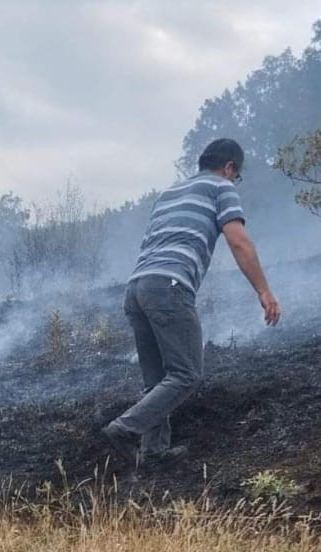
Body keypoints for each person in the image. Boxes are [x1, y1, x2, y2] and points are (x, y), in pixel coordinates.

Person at [102, 138, 281, 468]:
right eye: (235, 175)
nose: (234, 181)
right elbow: (239, 241)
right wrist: (264, 291)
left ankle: (153, 451)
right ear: (229, 167)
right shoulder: (220, 188)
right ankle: (126, 429)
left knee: (156, 382)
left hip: (137, 288)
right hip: (170, 287)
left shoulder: (169, 194)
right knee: (186, 374)